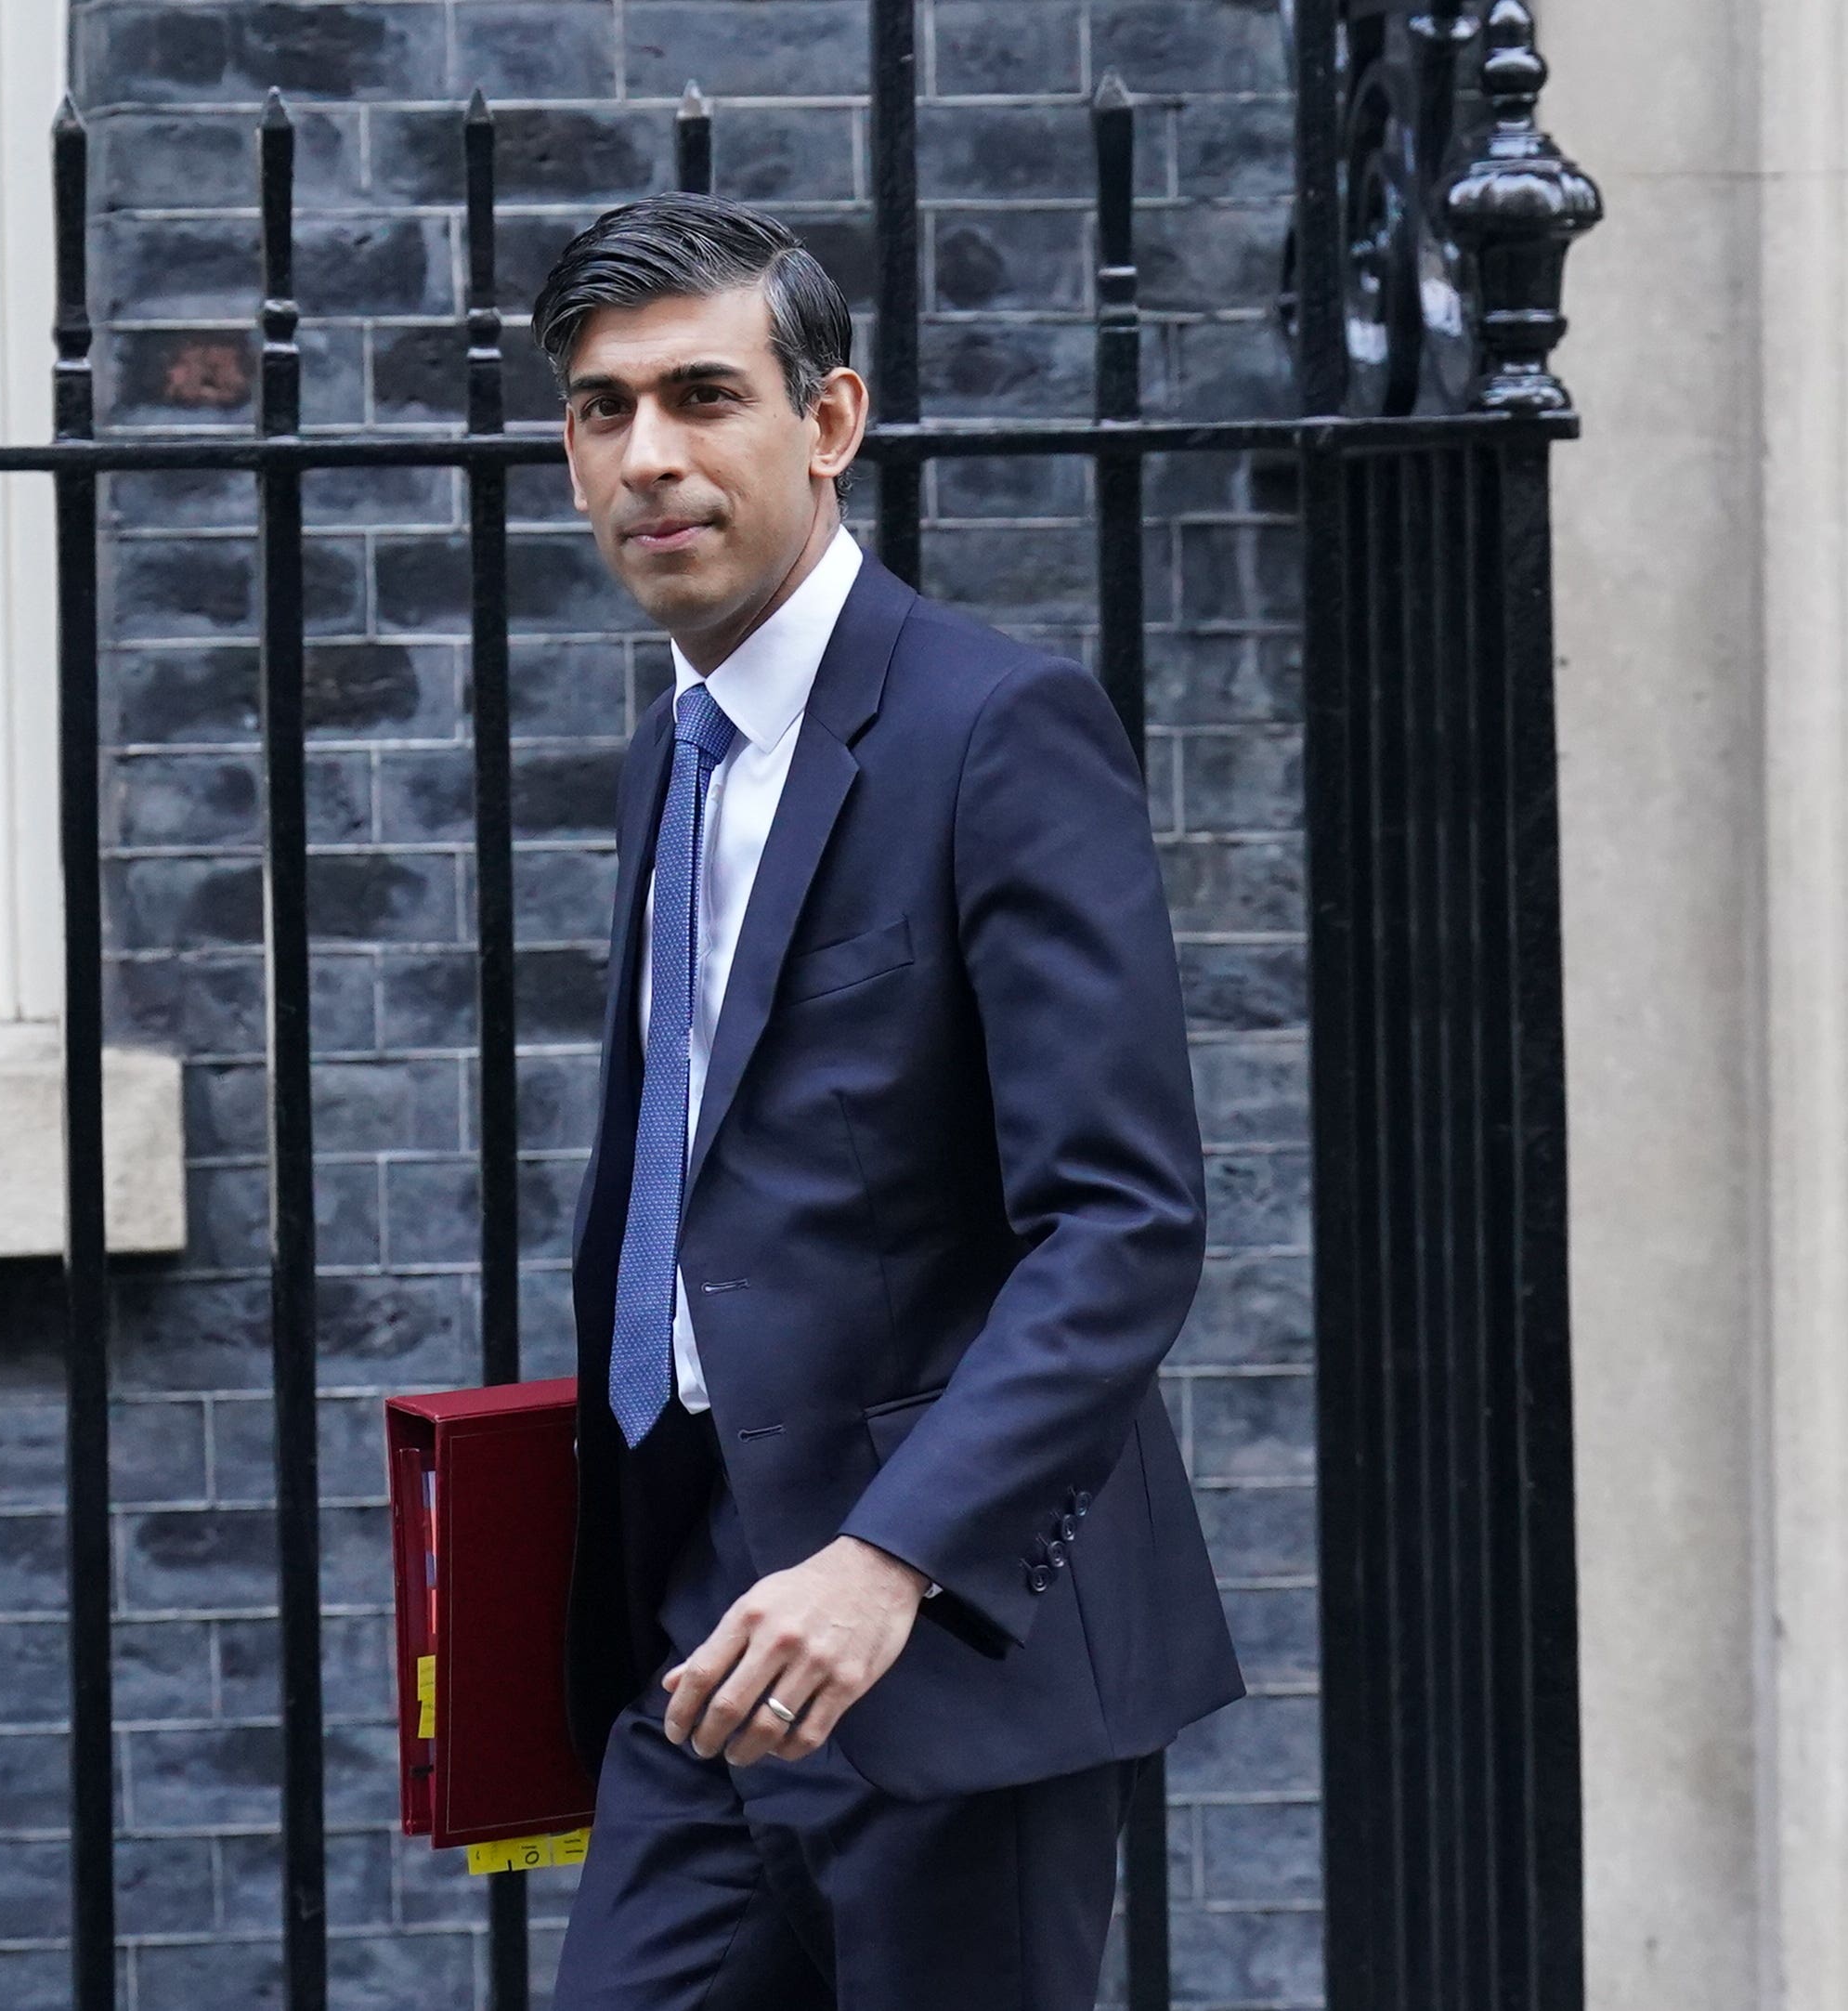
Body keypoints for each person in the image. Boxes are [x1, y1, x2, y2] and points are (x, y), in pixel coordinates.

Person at [540, 194, 1245, 2010]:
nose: (649, 457)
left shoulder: (994, 730)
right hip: (700, 1642)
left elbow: (1119, 1222)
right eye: (602, 411)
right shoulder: (669, 759)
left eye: (702, 395)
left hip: (947, 1659)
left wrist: (890, 1559)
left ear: (828, 421)